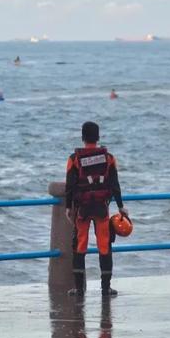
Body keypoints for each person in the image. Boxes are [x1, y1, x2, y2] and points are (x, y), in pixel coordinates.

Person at [65, 121, 128, 297]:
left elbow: (70, 186)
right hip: (102, 209)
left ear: (83, 137)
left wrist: (68, 208)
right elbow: (115, 185)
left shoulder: (74, 159)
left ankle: (78, 289)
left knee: (79, 245)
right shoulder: (109, 158)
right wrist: (121, 206)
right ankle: (106, 288)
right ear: (98, 137)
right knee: (104, 246)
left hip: (82, 210)